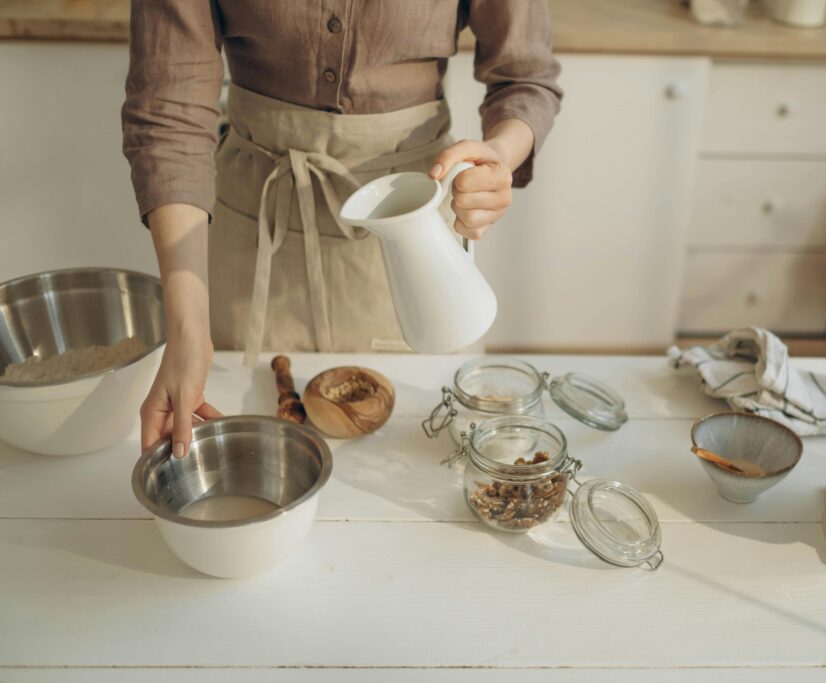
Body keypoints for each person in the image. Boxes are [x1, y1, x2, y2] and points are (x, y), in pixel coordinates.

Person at [122, 1, 562, 458]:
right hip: (252, 234)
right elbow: (169, 109)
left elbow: (523, 76)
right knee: (251, 434)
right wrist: (187, 329)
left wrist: (498, 155)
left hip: (410, 224)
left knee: (419, 453)